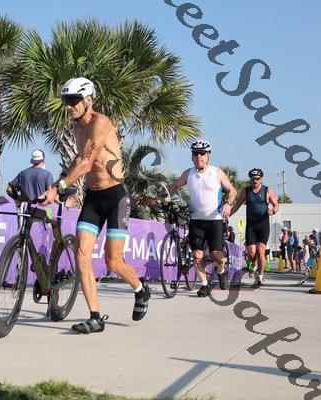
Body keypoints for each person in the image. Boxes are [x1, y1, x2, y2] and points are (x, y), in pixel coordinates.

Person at [38, 77, 149, 334]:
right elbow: (78, 159)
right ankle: (95, 317)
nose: (69, 106)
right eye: (66, 101)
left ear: (88, 100)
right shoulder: (77, 128)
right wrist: (57, 184)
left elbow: (87, 163)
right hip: (93, 198)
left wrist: (59, 188)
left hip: (116, 197)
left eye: (74, 100)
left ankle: (140, 289)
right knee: (82, 255)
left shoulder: (101, 123)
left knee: (113, 262)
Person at [168, 139, 237, 297]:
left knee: (215, 255)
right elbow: (175, 185)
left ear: (208, 155)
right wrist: (166, 198)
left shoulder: (216, 172)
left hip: (215, 220)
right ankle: (204, 285)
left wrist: (228, 204)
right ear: (192, 156)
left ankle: (221, 271)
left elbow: (232, 191)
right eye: (195, 153)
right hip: (196, 221)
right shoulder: (188, 173)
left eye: (202, 153)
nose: (199, 156)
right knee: (197, 255)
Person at [229, 168, 279, 288]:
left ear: (261, 179)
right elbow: (237, 205)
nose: (254, 181)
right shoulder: (246, 191)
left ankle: (260, 276)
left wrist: (273, 211)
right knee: (251, 253)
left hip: (263, 224)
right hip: (251, 225)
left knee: (260, 251)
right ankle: (254, 264)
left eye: (257, 179)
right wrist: (227, 215)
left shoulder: (267, 191)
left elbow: (276, 205)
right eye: (252, 179)